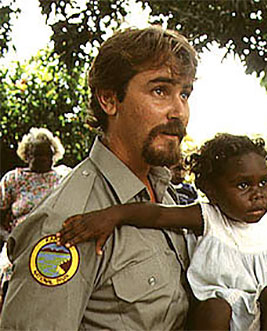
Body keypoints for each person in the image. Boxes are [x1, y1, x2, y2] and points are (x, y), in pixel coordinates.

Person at [0, 26, 197, 329]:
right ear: (108, 99)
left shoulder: (163, 192)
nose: (178, 111)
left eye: (184, 93)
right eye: (160, 90)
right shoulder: (68, 221)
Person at [57, 133, 267, 330]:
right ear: (210, 190)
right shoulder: (207, 217)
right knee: (217, 306)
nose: (257, 194)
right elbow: (156, 214)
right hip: (211, 317)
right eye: (243, 185)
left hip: (256, 316)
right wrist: (114, 215)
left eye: (264, 182)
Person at [0, 127, 71, 307]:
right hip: (18, 246)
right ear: (26, 154)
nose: (40, 159)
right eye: (35, 154)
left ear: (53, 155)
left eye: (45, 154)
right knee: (10, 284)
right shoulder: (13, 180)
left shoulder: (64, 177)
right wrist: (8, 238)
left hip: (55, 245)